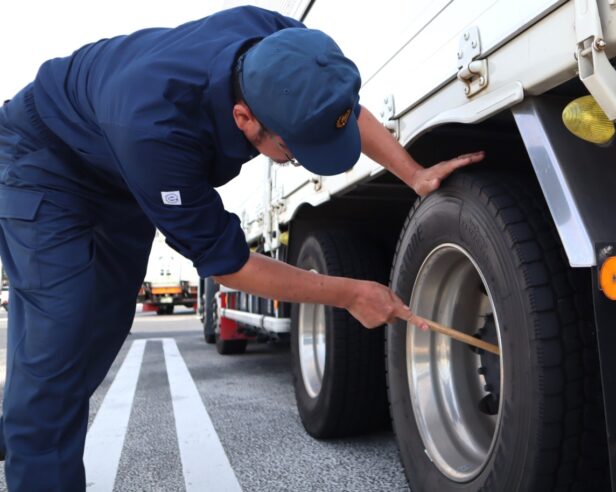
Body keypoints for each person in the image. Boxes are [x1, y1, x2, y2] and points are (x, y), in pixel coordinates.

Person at [0, 5, 484, 490]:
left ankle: (26, 428)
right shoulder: (156, 132)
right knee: (60, 332)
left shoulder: (283, 45)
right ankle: (35, 441)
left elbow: (340, 112)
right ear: (244, 118)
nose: (301, 161)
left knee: (102, 325)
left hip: (117, 171)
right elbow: (230, 266)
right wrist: (350, 295)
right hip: (43, 161)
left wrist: (415, 174)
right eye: (293, 153)